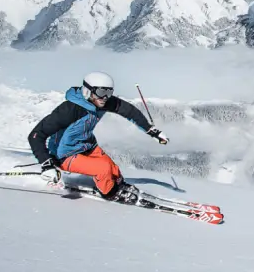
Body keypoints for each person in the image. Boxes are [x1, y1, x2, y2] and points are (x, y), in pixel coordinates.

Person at [27, 71, 168, 204]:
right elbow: (36, 135)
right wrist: (47, 164)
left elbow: (130, 112)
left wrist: (151, 130)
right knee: (103, 169)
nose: (105, 97)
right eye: (101, 92)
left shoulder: (102, 102)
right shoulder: (69, 110)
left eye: (109, 92)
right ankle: (110, 193)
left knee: (113, 169)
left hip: (87, 145)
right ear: (87, 91)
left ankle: (118, 185)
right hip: (64, 154)